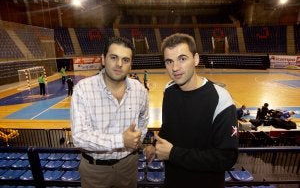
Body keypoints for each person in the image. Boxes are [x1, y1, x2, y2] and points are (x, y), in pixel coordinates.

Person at [144, 33, 238, 188]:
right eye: (169, 61)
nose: (175, 68)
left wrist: (173, 154)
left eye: (182, 59)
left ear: (195, 59)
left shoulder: (220, 98)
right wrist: (155, 145)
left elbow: (226, 157)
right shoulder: (169, 90)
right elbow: (169, 128)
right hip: (172, 181)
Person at [71, 36, 149, 188]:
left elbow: (143, 118)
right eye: (114, 57)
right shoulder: (83, 89)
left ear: (131, 64)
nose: (119, 64)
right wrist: (121, 140)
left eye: (125, 60)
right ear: (103, 59)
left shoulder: (139, 89)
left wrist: (137, 140)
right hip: (95, 170)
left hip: (129, 165)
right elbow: (79, 137)